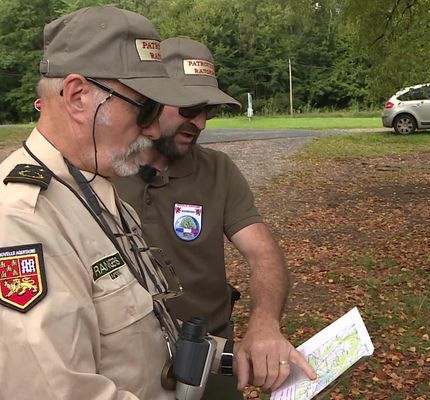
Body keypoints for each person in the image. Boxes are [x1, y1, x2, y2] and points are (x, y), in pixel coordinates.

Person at [0, 6, 234, 399]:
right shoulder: (22, 222)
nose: (155, 128)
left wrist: (230, 355)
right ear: (77, 97)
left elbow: (143, 333)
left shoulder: (95, 188)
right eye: (146, 108)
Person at [115, 37, 317, 398]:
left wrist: (265, 324)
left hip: (209, 356)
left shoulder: (218, 170)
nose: (201, 123)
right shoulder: (103, 169)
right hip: (125, 363)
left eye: (209, 111)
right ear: (152, 98)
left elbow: (263, 253)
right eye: (190, 107)